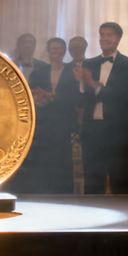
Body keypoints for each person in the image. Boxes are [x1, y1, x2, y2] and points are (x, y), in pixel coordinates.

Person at [78, 22, 128, 194]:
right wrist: (81, 84)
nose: (104, 38)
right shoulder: (89, 63)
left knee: (121, 180)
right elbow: (83, 99)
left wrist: (93, 84)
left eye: (109, 35)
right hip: (92, 130)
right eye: (102, 35)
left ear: (118, 38)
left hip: (117, 132)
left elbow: (125, 97)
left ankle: (124, 212)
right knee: (92, 180)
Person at [25, 37, 81, 193]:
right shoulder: (39, 71)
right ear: (48, 51)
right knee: (44, 158)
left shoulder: (73, 71)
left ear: (64, 51)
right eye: (53, 48)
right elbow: (30, 93)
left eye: (59, 48)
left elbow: (77, 97)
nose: (56, 51)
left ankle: (64, 193)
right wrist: (39, 97)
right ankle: (44, 192)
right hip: (44, 123)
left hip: (64, 122)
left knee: (63, 159)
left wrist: (53, 96)